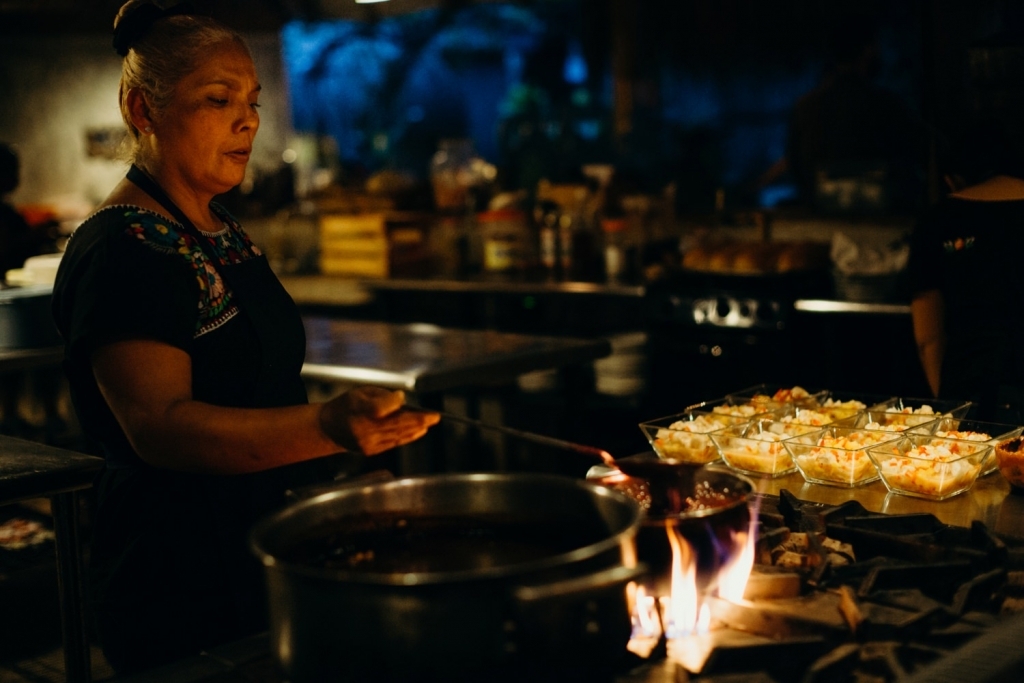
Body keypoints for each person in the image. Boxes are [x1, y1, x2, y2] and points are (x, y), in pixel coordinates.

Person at [50, 1, 440, 674]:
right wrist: (326, 426)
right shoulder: (124, 248)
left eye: (253, 101)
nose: (248, 120)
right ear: (143, 110)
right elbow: (161, 426)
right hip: (178, 578)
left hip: (261, 550)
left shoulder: (220, 230)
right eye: (218, 99)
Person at [907, 45, 1024, 423]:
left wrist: (950, 405)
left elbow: (929, 337)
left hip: (973, 390)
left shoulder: (939, 220)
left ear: (951, 179)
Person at [785, 16, 927, 213]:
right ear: (867, 49)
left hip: (820, 221)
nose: (880, 52)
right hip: (883, 223)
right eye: (877, 45)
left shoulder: (806, 107)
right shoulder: (886, 105)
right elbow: (915, 154)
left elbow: (797, 168)